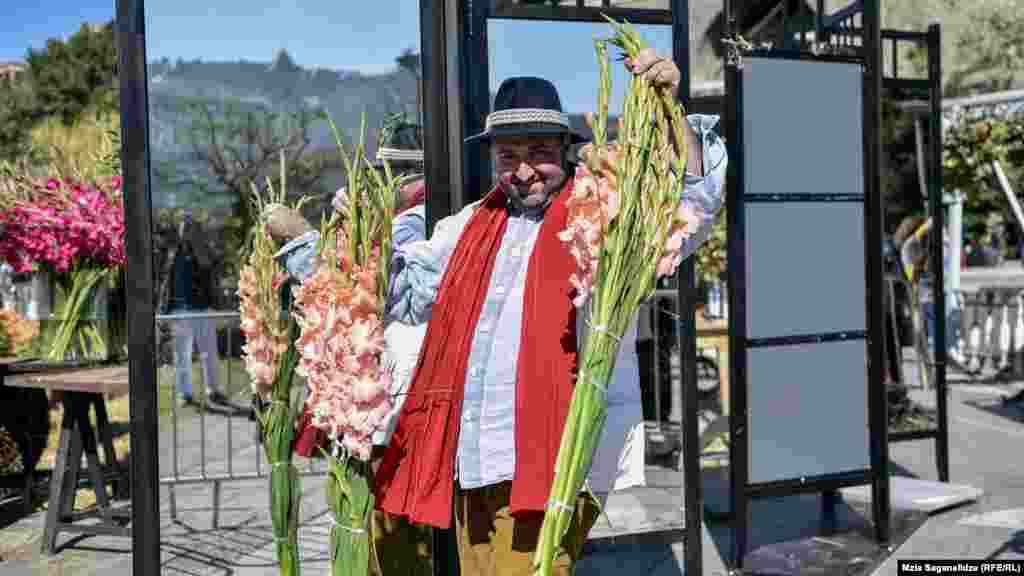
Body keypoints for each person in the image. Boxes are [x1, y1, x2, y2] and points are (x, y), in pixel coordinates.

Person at [270, 50, 726, 575]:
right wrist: (310, 246)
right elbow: (401, 291)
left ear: (565, 151)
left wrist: (672, 110)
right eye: (508, 157)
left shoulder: (605, 215)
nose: (525, 170)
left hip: (555, 453)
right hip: (472, 455)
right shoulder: (469, 224)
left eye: (539, 152)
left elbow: (695, 203)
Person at [276, 119, 435, 575]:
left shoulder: (420, 222)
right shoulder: (398, 219)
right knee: (371, 535)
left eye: (403, 174)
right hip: (370, 402)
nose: (394, 184)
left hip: (393, 405)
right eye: (389, 173)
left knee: (395, 543)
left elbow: (373, 286)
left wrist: (305, 236)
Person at [167, 211, 228, 406]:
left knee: (208, 351)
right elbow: (167, 281)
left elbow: (207, 265)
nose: (185, 229)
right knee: (181, 354)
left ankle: (213, 390)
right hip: (179, 309)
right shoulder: (173, 252)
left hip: (201, 308)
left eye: (189, 225)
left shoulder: (202, 249)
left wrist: (196, 242)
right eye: (182, 225)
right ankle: (185, 393)